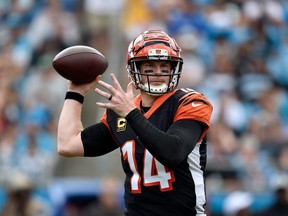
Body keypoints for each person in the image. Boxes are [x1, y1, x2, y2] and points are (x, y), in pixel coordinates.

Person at [57, 30, 213, 216]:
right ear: (134, 69)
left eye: (165, 67)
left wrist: (130, 113)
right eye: (149, 67)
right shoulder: (121, 112)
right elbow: (68, 145)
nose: (158, 73)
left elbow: (173, 151)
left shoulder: (189, 102)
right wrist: (75, 93)